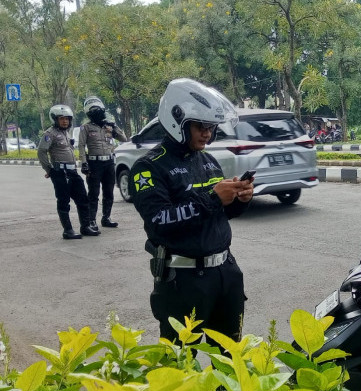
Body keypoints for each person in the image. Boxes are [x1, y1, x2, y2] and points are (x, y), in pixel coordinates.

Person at [130, 78, 254, 345]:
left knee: (231, 361)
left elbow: (221, 215)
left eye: (211, 127)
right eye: (201, 126)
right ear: (178, 121)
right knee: (180, 367)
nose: (207, 133)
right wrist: (212, 198)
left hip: (225, 273)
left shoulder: (208, 161)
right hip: (183, 281)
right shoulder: (149, 168)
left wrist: (239, 199)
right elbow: (159, 221)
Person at [38, 104, 100, 240]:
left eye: (67, 118)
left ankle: (85, 226)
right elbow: (41, 151)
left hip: (72, 172)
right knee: (64, 201)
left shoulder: (66, 132)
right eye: (61, 119)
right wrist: (49, 169)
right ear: (55, 119)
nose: (65, 121)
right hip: (61, 172)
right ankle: (68, 230)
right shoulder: (50, 134)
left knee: (83, 199)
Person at [78, 96, 128, 232]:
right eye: (94, 112)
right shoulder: (86, 128)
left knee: (109, 192)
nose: (97, 114)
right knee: (93, 193)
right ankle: (91, 220)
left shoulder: (109, 126)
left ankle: (106, 217)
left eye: (99, 111)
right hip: (94, 163)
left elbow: (123, 138)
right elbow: (81, 146)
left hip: (109, 163)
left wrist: (114, 126)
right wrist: (84, 163)